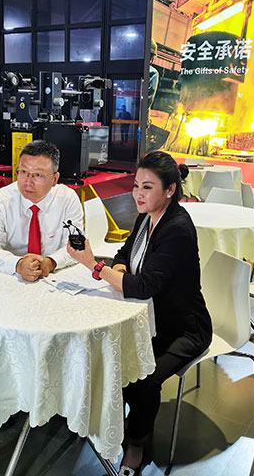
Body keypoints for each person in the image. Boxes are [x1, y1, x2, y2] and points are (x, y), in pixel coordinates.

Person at [67, 151, 212, 475]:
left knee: (143, 378)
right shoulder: (147, 217)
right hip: (150, 318)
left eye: (147, 187)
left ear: (170, 189)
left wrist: (94, 266)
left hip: (184, 328)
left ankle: (136, 445)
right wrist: (118, 269)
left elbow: (144, 286)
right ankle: (118, 423)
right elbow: (124, 253)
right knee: (118, 361)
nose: (138, 194)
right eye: (136, 186)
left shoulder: (177, 228)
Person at [0, 140, 83, 282]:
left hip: (55, 277)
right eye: (23, 172)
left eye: (38, 175)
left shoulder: (67, 199)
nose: (28, 182)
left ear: (54, 179)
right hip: (11, 275)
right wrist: (18, 264)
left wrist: (51, 262)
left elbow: (77, 245)